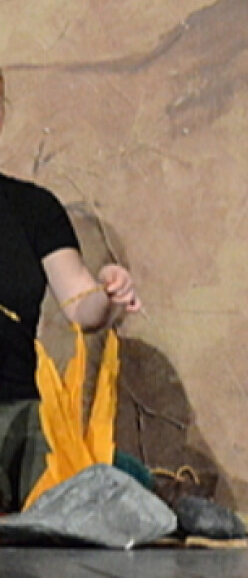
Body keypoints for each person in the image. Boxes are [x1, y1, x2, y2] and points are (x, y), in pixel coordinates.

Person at [0, 71, 141, 512]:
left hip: (18, 422)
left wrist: (109, 292)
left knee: (120, 481)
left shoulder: (32, 208)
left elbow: (82, 306)